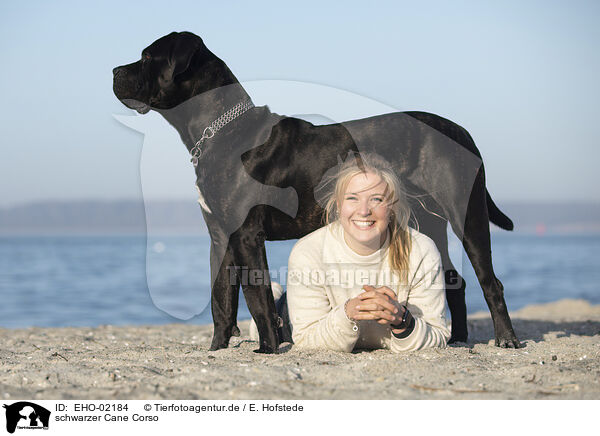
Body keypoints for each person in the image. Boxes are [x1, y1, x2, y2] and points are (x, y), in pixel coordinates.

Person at [249, 152, 450, 352]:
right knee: (265, 327)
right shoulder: (309, 251)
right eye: (353, 198)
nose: (363, 211)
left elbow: (438, 335)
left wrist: (402, 320)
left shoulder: (421, 250)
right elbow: (307, 340)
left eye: (376, 199)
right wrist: (349, 312)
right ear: (338, 204)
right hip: (303, 317)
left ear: (391, 208)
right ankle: (275, 297)